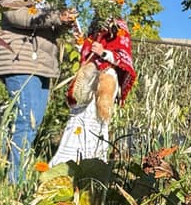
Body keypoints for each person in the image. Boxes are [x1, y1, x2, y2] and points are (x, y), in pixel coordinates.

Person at [0, 0, 77, 177]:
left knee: (25, 124)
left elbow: (50, 25)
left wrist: (64, 21)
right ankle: (13, 182)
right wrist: (54, 16)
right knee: (26, 124)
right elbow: (16, 14)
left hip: (43, 62)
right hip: (20, 58)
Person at [49, 16, 136, 166]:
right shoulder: (94, 35)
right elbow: (87, 55)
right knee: (79, 118)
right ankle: (68, 161)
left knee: (95, 118)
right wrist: (81, 44)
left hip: (106, 78)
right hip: (88, 78)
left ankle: (93, 162)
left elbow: (123, 58)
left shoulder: (120, 30)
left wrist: (104, 53)